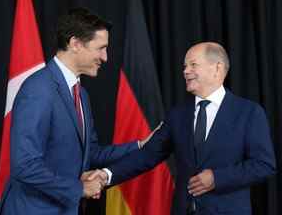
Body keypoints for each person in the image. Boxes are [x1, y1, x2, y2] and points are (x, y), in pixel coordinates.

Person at [0, 7, 149, 215]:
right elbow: (25, 165)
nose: (105, 57)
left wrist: (141, 145)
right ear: (75, 44)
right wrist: (79, 188)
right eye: (101, 48)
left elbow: (91, 153)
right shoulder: (38, 89)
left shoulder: (81, 94)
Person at [95, 42, 276, 214]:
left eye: (193, 65)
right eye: (184, 66)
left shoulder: (249, 112)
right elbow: (147, 155)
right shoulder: (178, 114)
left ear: (217, 68)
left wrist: (217, 178)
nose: (185, 71)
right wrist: (106, 175)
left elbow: (263, 165)